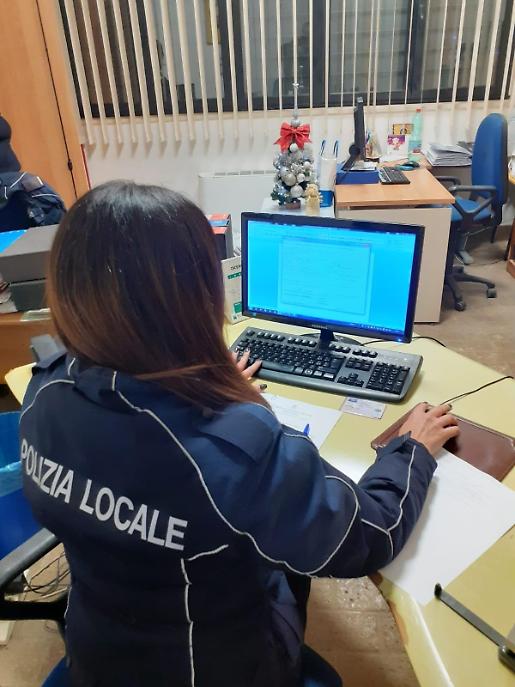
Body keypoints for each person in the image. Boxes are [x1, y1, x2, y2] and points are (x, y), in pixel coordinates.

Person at [20, 182, 459, 687]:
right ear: (197, 297)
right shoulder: (233, 455)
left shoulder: (43, 391)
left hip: (97, 651)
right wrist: (413, 450)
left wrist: (199, 387)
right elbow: (372, 537)